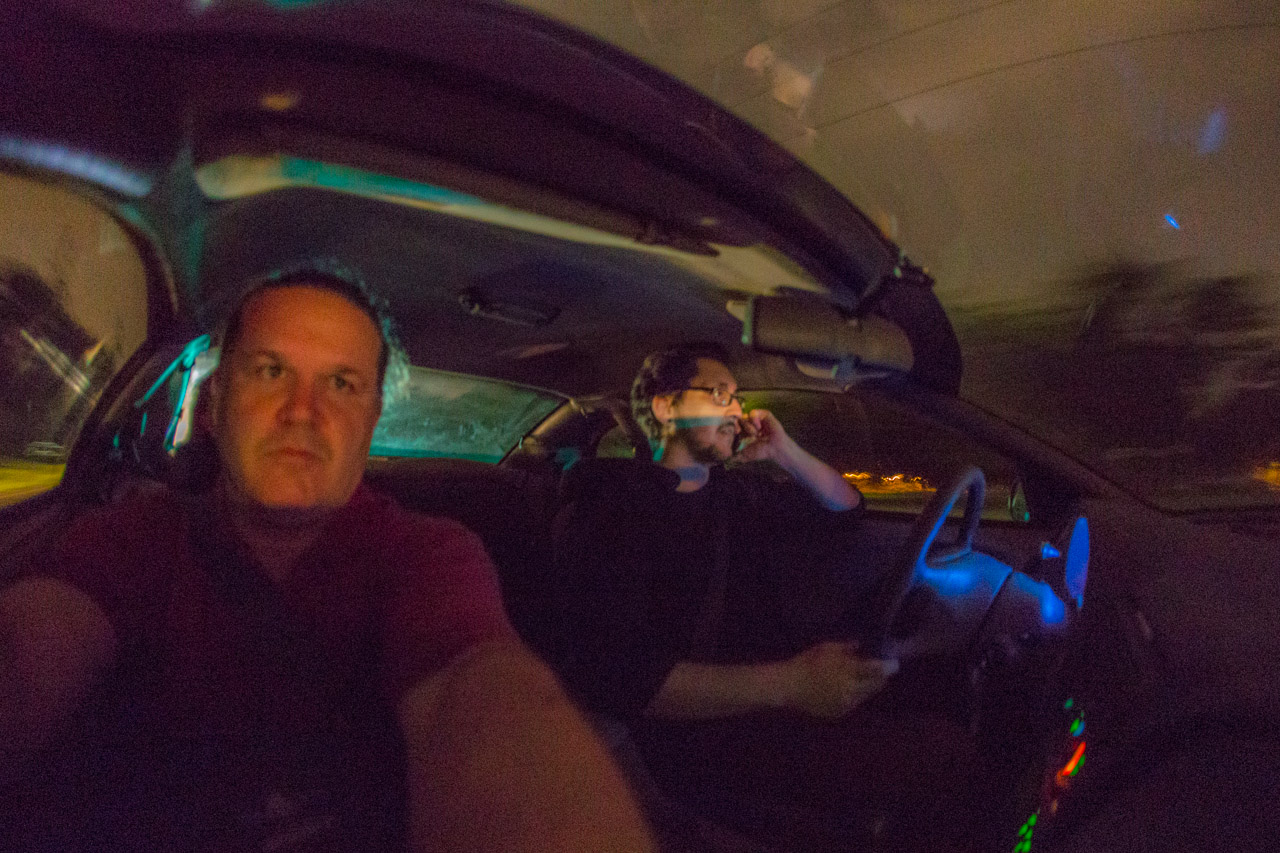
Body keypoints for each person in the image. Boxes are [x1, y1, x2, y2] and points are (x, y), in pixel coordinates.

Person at [0, 269, 654, 852]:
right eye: (270, 371)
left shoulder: (425, 555)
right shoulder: (134, 538)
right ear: (215, 404)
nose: (302, 411)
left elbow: (478, 688)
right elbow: (33, 644)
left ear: (372, 421)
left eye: (341, 383)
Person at [546, 343, 983, 852]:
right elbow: (624, 678)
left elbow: (845, 509)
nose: (736, 409)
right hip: (703, 734)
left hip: (778, 686)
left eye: (736, 396)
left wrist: (783, 451)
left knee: (948, 691)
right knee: (943, 757)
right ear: (666, 408)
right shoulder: (608, 516)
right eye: (718, 394)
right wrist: (794, 684)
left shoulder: (736, 493)